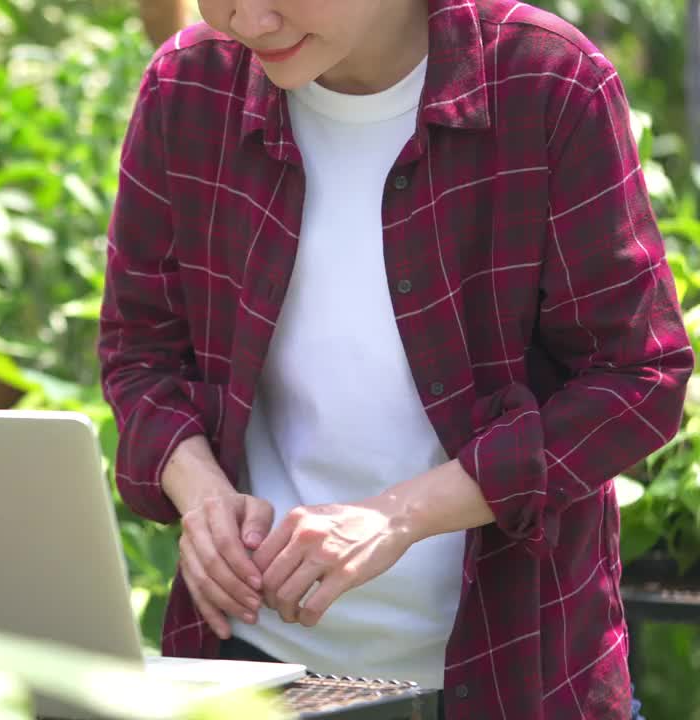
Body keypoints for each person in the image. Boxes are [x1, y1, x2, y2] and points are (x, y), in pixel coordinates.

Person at [97, 0, 693, 718]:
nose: (249, 21)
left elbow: (639, 377)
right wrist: (200, 493)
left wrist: (396, 517)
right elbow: (141, 351)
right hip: (248, 670)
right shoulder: (187, 88)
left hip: (513, 671)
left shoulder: (547, 83)